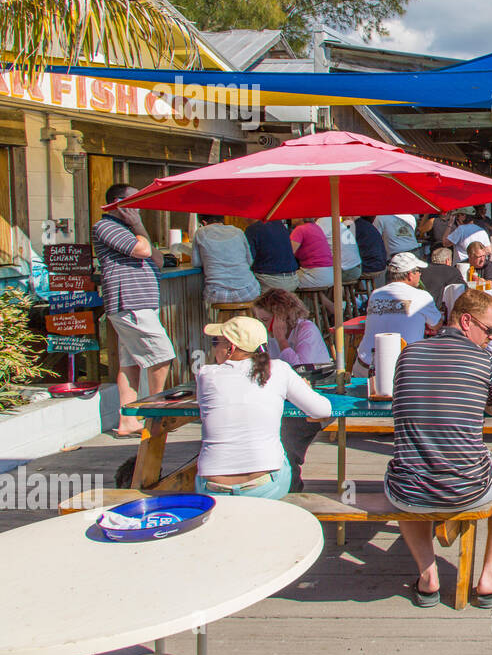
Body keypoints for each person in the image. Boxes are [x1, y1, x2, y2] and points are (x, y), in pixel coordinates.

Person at [384, 288, 492, 608]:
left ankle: (427, 575)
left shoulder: (408, 354)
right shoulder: (485, 359)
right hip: (467, 486)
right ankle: (490, 576)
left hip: (408, 488)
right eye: (489, 331)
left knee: (407, 470)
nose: (491, 339)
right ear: (466, 321)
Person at [196, 316, 332, 499]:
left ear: (231, 348)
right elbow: (323, 410)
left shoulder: (205, 375)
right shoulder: (279, 370)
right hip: (264, 487)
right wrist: (303, 388)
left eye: (215, 342)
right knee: (284, 448)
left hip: (212, 488)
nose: (213, 348)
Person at [92, 184, 176, 436]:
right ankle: (154, 412)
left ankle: (127, 421)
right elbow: (142, 251)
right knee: (162, 355)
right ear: (119, 202)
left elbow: (158, 260)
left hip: (138, 302)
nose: (139, 206)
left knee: (130, 363)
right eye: (134, 201)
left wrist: (138, 227)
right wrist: (138, 226)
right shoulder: (105, 226)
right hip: (129, 301)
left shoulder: (130, 230)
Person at [353, 252, 444, 376]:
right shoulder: (422, 296)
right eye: (418, 271)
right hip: (402, 371)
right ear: (410, 275)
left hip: (365, 365)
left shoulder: (376, 294)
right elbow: (436, 325)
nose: (420, 274)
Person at [191, 213, 261, 305]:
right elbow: (250, 261)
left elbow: (196, 263)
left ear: (204, 222)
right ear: (223, 220)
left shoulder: (200, 233)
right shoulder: (238, 231)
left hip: (216, 294)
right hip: (247, 291)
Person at [253, 288, 331, 367]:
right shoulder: (267, 334)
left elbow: (300, 368)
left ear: (282, 317)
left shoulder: (307, 329)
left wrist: (281, 340)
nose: (261, 325)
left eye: (265, 320)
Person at [245, 219, 299, 291]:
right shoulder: (281, 225)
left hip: (270, 281)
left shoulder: (253, 229)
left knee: (242, 286)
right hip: (293, 279)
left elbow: (248, 259)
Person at [289, 217, 334, 289]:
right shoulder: (317, 227)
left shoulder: (300, 229)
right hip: (331, 274)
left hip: (315, 274)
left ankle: (295, 300)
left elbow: (289, 254)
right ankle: (325, 301)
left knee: (285, 281)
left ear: (301, 218)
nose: (291, 218)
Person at [316, 216, 363, 284]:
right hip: (356, 267)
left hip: (346, 270)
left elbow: (314, 244)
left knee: (317, 277)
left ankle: (328, 294)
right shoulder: (333, 220)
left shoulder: (322, 221)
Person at [353, 215, 388, 285]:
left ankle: (354, 294)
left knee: (343, 270)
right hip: (379, 264)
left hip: (371, 265)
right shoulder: (365, 225)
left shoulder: (355, 227)